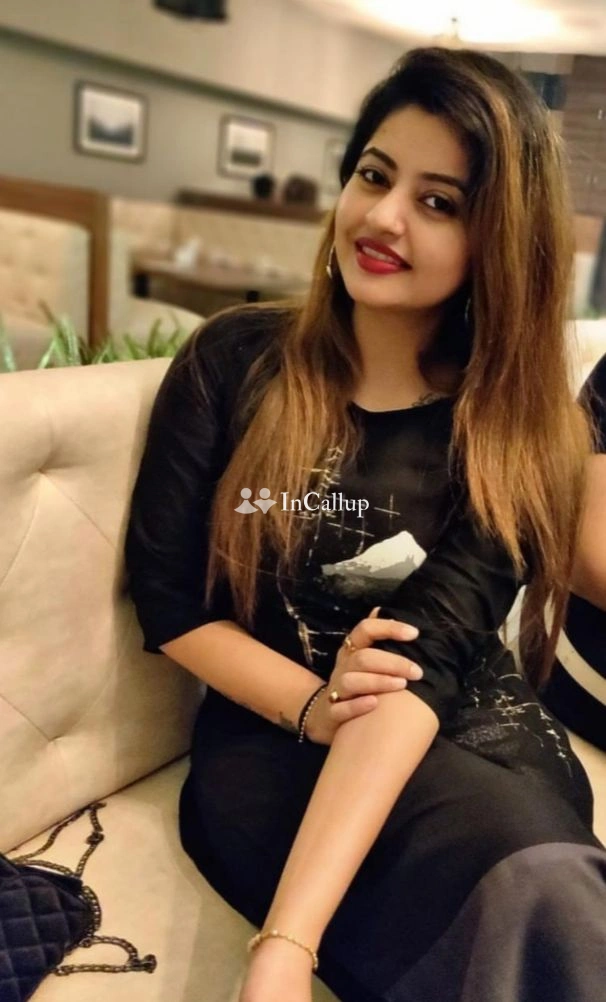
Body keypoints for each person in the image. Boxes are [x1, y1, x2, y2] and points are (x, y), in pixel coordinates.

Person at [124, 47, 606, 1002]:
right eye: (375, 177)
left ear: (497, 243)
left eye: (440, 203)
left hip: (468, 731)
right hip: (277, 735)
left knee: (538, 887)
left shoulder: (517, 431)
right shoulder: (233, 362)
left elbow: (421, 665)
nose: (383, 218)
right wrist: (316, 706)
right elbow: (171, 601)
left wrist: (284, 949)